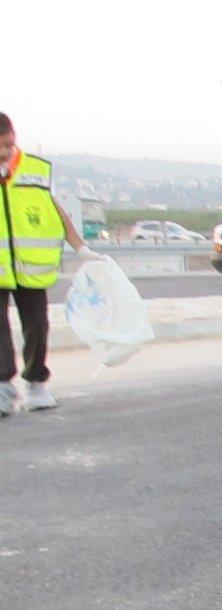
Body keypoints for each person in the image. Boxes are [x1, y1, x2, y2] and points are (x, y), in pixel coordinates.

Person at [0, 111, 101, 417]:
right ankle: (3, 386)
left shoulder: (37, 171)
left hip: (31, 266)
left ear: (14, 137)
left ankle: (35, 382)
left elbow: (58, 212)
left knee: (37, 326)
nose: (4, 152)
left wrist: (81, 247)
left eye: (7, 144)